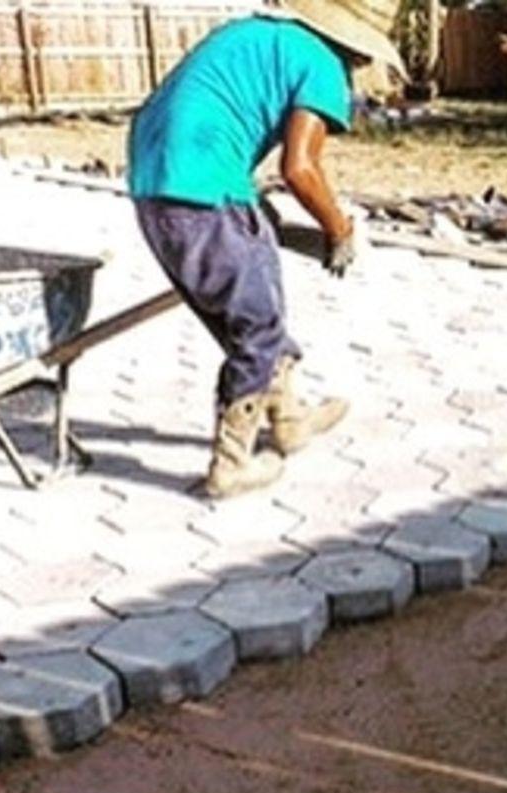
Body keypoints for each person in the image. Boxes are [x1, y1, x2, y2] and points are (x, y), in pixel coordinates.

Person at [128, 0, 405, 498]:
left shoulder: (266, 38)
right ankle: (231, 464)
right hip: (201, 188)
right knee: (255, 324)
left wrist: (253, 209)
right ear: (359, 47)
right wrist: (338, 228)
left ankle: (288, 418)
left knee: (250, 296)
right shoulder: (323, 65)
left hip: (155, 184)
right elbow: (299, 169)